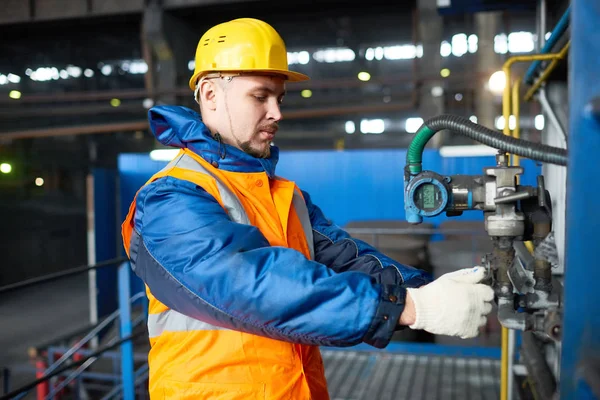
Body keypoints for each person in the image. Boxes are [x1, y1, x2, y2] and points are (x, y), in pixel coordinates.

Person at [121, 17, 494, 400]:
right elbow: (249, 285)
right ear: (211, 93)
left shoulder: (285, 195)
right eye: (260, 96)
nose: (277, 113)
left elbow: (347, 259)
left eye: (279, 99)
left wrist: (431, 290)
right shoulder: (170, 196)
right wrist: (408, 308)